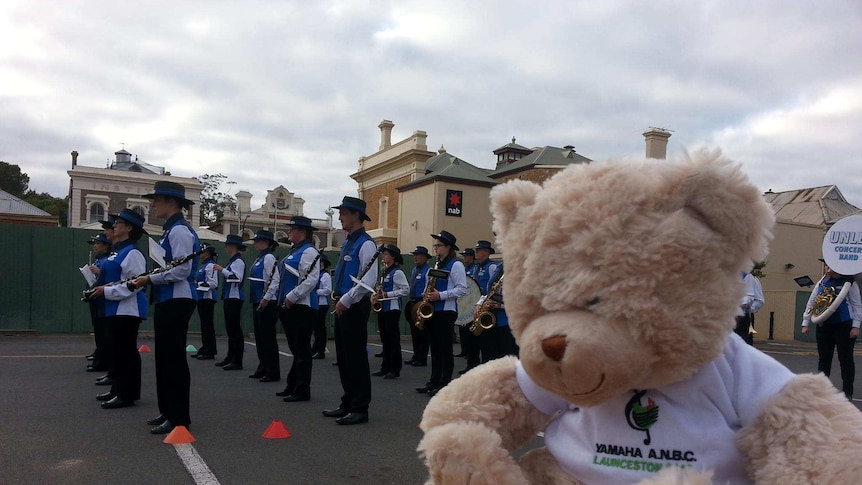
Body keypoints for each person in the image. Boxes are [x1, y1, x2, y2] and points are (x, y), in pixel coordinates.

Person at [131, 181, 200, 435]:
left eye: (156, 200)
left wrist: (150, 278)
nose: (153, 205)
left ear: (171, 203)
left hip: (177, 298)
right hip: (168, 297)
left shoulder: (179, 231)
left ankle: (179, 416)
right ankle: (168, 410)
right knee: (165, 358)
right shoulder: (171, 230)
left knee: (173, 359)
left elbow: (182, 269)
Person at [323, 196, 378, 425]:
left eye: (343, 213)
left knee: (356, 358)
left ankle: (360, 407)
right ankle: (347, 401)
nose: (339, 216)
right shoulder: (348, 242)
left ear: (356, 215)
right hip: (343, 305)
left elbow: (369, 280)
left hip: (354, 305)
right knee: (344, 358)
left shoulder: (366, 243)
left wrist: (346, 299)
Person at [88, 209, 148, 409]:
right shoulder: (119, 251)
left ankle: (127, 393)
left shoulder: (133, 253)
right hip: (114, 307)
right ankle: (117, 389)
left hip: (127, 309)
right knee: (117, 351)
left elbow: (136, 283)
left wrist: (106, 291)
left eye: (119, 223)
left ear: (129, 228)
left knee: (126, 352)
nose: (114, 226)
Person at [416, 231, 467, 397]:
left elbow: (462, 289)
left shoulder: (455, 265)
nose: (435, 248)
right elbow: (428, 285)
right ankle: (434, 380)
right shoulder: (436, 265)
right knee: (435, 348)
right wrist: (426, 296)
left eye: (438, 245)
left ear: (448, 247)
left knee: (444, 349)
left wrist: (441, 295)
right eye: (435, 245)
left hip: (446, 311)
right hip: (433, 311)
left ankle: (445, 383)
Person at [275, 216, 320, 402]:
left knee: (302, 350)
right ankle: (292, 385)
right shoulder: (295, 251)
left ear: (302, 231)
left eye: (292, 229)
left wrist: (292, 298)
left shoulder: (308, 251)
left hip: (302, 306)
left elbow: (310, 279)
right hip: (289, 305)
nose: (289, 232)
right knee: (296, 349)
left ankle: (302, 389)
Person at [802, 265, 862, 400]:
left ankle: (848, 392)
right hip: (824, 325)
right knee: (824, 359)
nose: (827, 268)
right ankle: (821, 391)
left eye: (830, 266)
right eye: (826, 265)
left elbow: (856, 305)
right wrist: (806, 322)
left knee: (845, 359)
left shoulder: (850, 283)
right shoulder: (822, 282)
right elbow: (811, 302)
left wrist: (855, 326)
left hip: (844, 325)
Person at [371, 244, 409, 379]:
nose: (384, 256)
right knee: (385, 339)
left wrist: (387, 295)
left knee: (393, 340)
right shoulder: (385, 271)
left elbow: (405, 290)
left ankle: (395, 368)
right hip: (383, 308)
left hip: (392, 309)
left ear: (393, 257)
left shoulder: (397, 272)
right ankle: (385, 367)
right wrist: (375, 295)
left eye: (386, 254)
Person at [248, 230, 281, 382]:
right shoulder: (259, 258)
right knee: (260, 337)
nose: (257, 243)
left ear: (267, 243)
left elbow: (274, 280)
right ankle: (263, 367)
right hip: (257, 299)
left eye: (260, 241)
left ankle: (272, 371)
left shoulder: (268, 258)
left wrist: (266, 298)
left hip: (267, 301)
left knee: (268, 338)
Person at [460, 240, 497, 374]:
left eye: (478, 250)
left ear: (486, 252)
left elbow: (493, 288)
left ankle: (484, 366)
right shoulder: (476, 267)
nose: (476, 253)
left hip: (486, 305)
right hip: (475, 305)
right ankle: (472, 364)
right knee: (472, 338)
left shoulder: (492, 267)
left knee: (486, 341)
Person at [213, 234, 246, 371]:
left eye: (228, 244)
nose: (226, 247)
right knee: (230, 329)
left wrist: (222, 270)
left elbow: (236, 278)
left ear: (233, 246)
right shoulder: (233, 261)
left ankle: (237, 359)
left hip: (234, 297)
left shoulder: (238, 262)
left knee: (234, 329)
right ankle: (230, 356)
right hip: (229, 296)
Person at [476, 261, 518, 362]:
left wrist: (500, 305)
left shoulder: (520, 268)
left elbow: (522, 300)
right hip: (493, 321)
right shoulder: (499, 266)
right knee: (489, 358)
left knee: (507, 360)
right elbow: (490, 290)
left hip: (508, 323)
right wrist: (480, 303)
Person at [85, 231, 112, 377]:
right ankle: (99, 356)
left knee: (104, 333)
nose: (95, 246)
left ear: (106, 246)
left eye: (98, 243)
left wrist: (99, 271)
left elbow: (111, 277)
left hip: (103, 298)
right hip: (96, 297)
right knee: (99, 331)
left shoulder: (106, 260)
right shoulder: (99, 260)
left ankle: (103, 360)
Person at [404, 246, 431, 367]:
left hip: (421, 302)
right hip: (413, 301)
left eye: (418, 255)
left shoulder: (428, 271)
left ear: (425, 257)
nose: (415, 257)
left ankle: (422, 357)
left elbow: (427, 287)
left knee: (422, 332)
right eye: (415, 255)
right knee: (414, 331)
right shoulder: (414, 269)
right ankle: (415, 355)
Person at [192, 246, 219, 360]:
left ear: (207, 253)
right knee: (204, 324)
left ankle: (210, 349)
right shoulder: (204, 265)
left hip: (207, 298)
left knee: (207, 324)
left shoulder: (210, 265)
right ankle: (205, 347)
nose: (200, 254)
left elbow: (213, 283)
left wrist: (197, 284)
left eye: (202, 252)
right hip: (201, 297)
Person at [455, 248, 477, 358]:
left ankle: (470, 351)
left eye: (467, 256)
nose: (465, 258)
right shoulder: (463, 268)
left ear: (472, 257)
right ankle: (464, 350)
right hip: (463, 300)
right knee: (462, 326)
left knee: (469, 327)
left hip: (472, 300)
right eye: (464, 256)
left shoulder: (474, 268)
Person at [735, 271, 764, 345]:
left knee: (740, 345)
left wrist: (746, 309)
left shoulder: (746, 276)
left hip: (738, 316)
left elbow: (757, 300)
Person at [312, 256, 332, 359]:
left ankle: (321, 349)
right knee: (316, 328)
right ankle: (316, 348)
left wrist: (316, 291)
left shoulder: (325, 276)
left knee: (320, 328)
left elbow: (328, 290)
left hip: (322, 304)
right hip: (316, 303)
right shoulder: (317, 274)